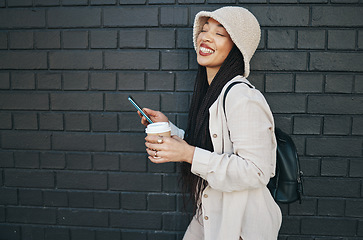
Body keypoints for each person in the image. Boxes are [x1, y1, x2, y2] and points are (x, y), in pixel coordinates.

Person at [138, 6, 282, 240]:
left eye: (219, 33)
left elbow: (256, 171)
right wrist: (170, 131)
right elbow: (213, 146)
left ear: (237, 47)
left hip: (240, 229)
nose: (205, 36)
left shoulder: (242, 97)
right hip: (210, 218)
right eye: (204, 30)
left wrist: (189, 155)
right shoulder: (213, 92)